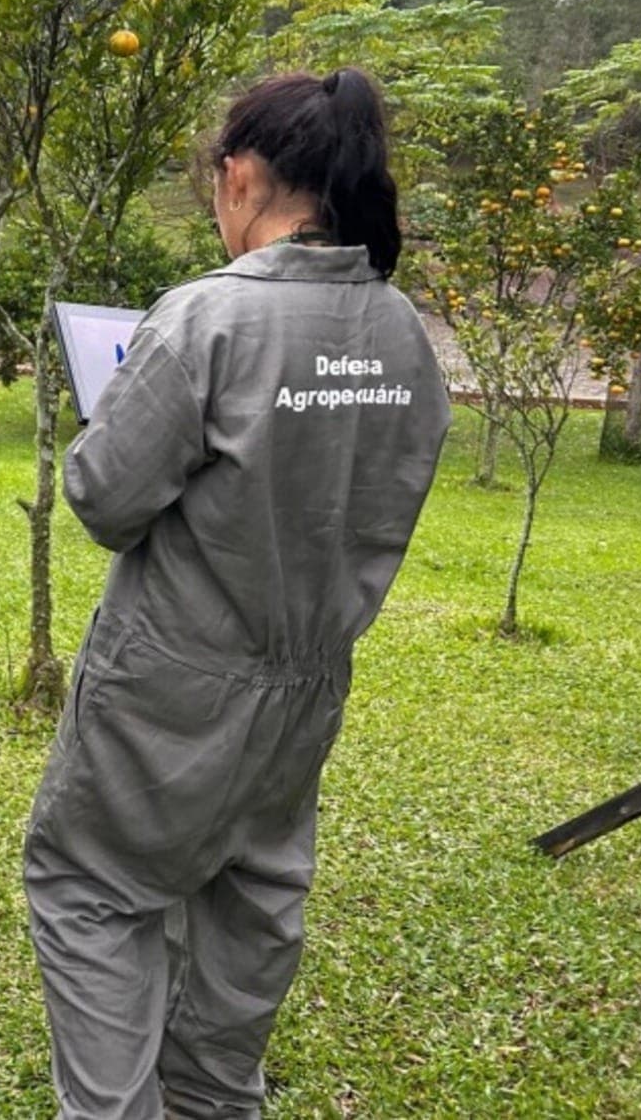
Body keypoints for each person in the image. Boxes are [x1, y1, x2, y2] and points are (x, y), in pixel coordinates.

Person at [24, 69, 452, 1119]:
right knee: (251, 903)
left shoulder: (207, 318)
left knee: (91, 892)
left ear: (245, 176)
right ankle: (215, 1098)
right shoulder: (403, 334)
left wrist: (119, 404)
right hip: (305, 687)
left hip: (170, 690)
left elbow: (102, 498)